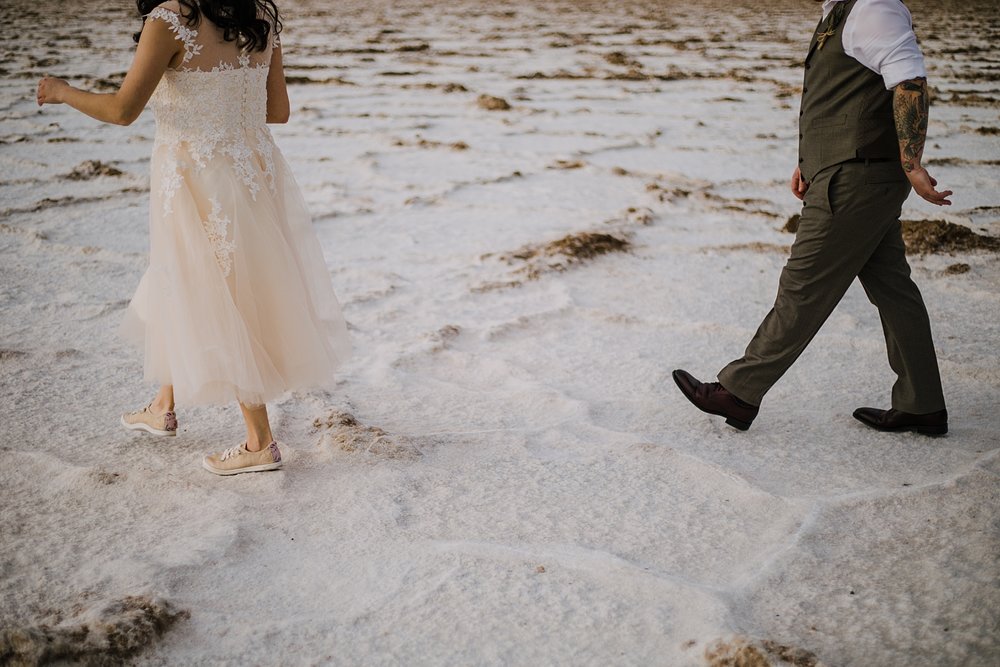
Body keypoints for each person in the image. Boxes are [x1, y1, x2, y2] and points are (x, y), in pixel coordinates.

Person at [37, 0, 351, 473]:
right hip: (252, 169)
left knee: (218, 290)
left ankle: (259, 442)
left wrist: (62, 91)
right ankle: (163, 404)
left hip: (193, 174)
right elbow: (279, 111)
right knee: (184, 274)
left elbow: (123, 110)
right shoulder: (259, 18)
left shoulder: (170, 20)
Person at [672, 0, 950, 435]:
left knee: (803, 284)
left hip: (857, 179)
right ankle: (923, 404)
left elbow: (910, 82)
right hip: (848, 171)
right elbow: (842, 96)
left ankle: (739, 392)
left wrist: (913, 164)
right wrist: (810, 160)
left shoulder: (875, 7)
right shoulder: (838, 10)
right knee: (894, 290)